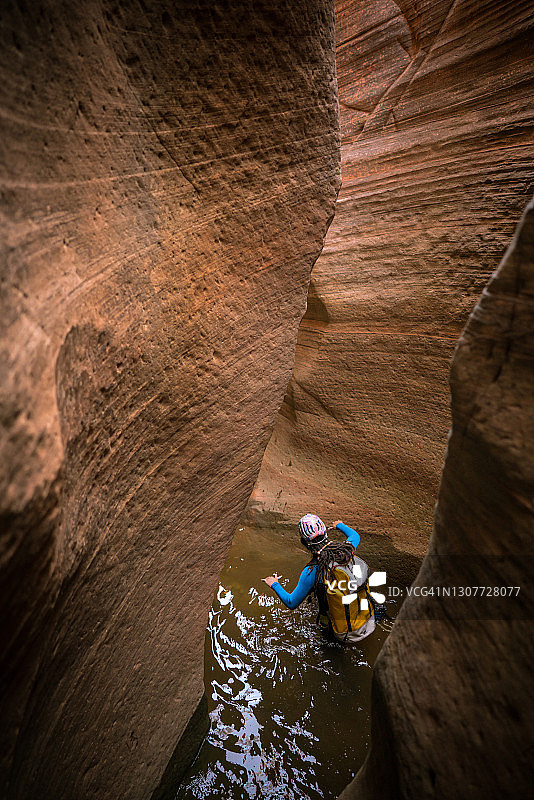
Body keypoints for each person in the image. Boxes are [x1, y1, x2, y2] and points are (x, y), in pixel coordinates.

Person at [262, 513, 376, 642]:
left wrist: (274, 584)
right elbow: (355, 536)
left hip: (343, 633)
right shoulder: (346, 549)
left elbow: (291, 602)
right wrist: (339, 525)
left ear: (304, 541)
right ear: (325, 533)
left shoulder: (311, 571)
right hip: (367, 618)